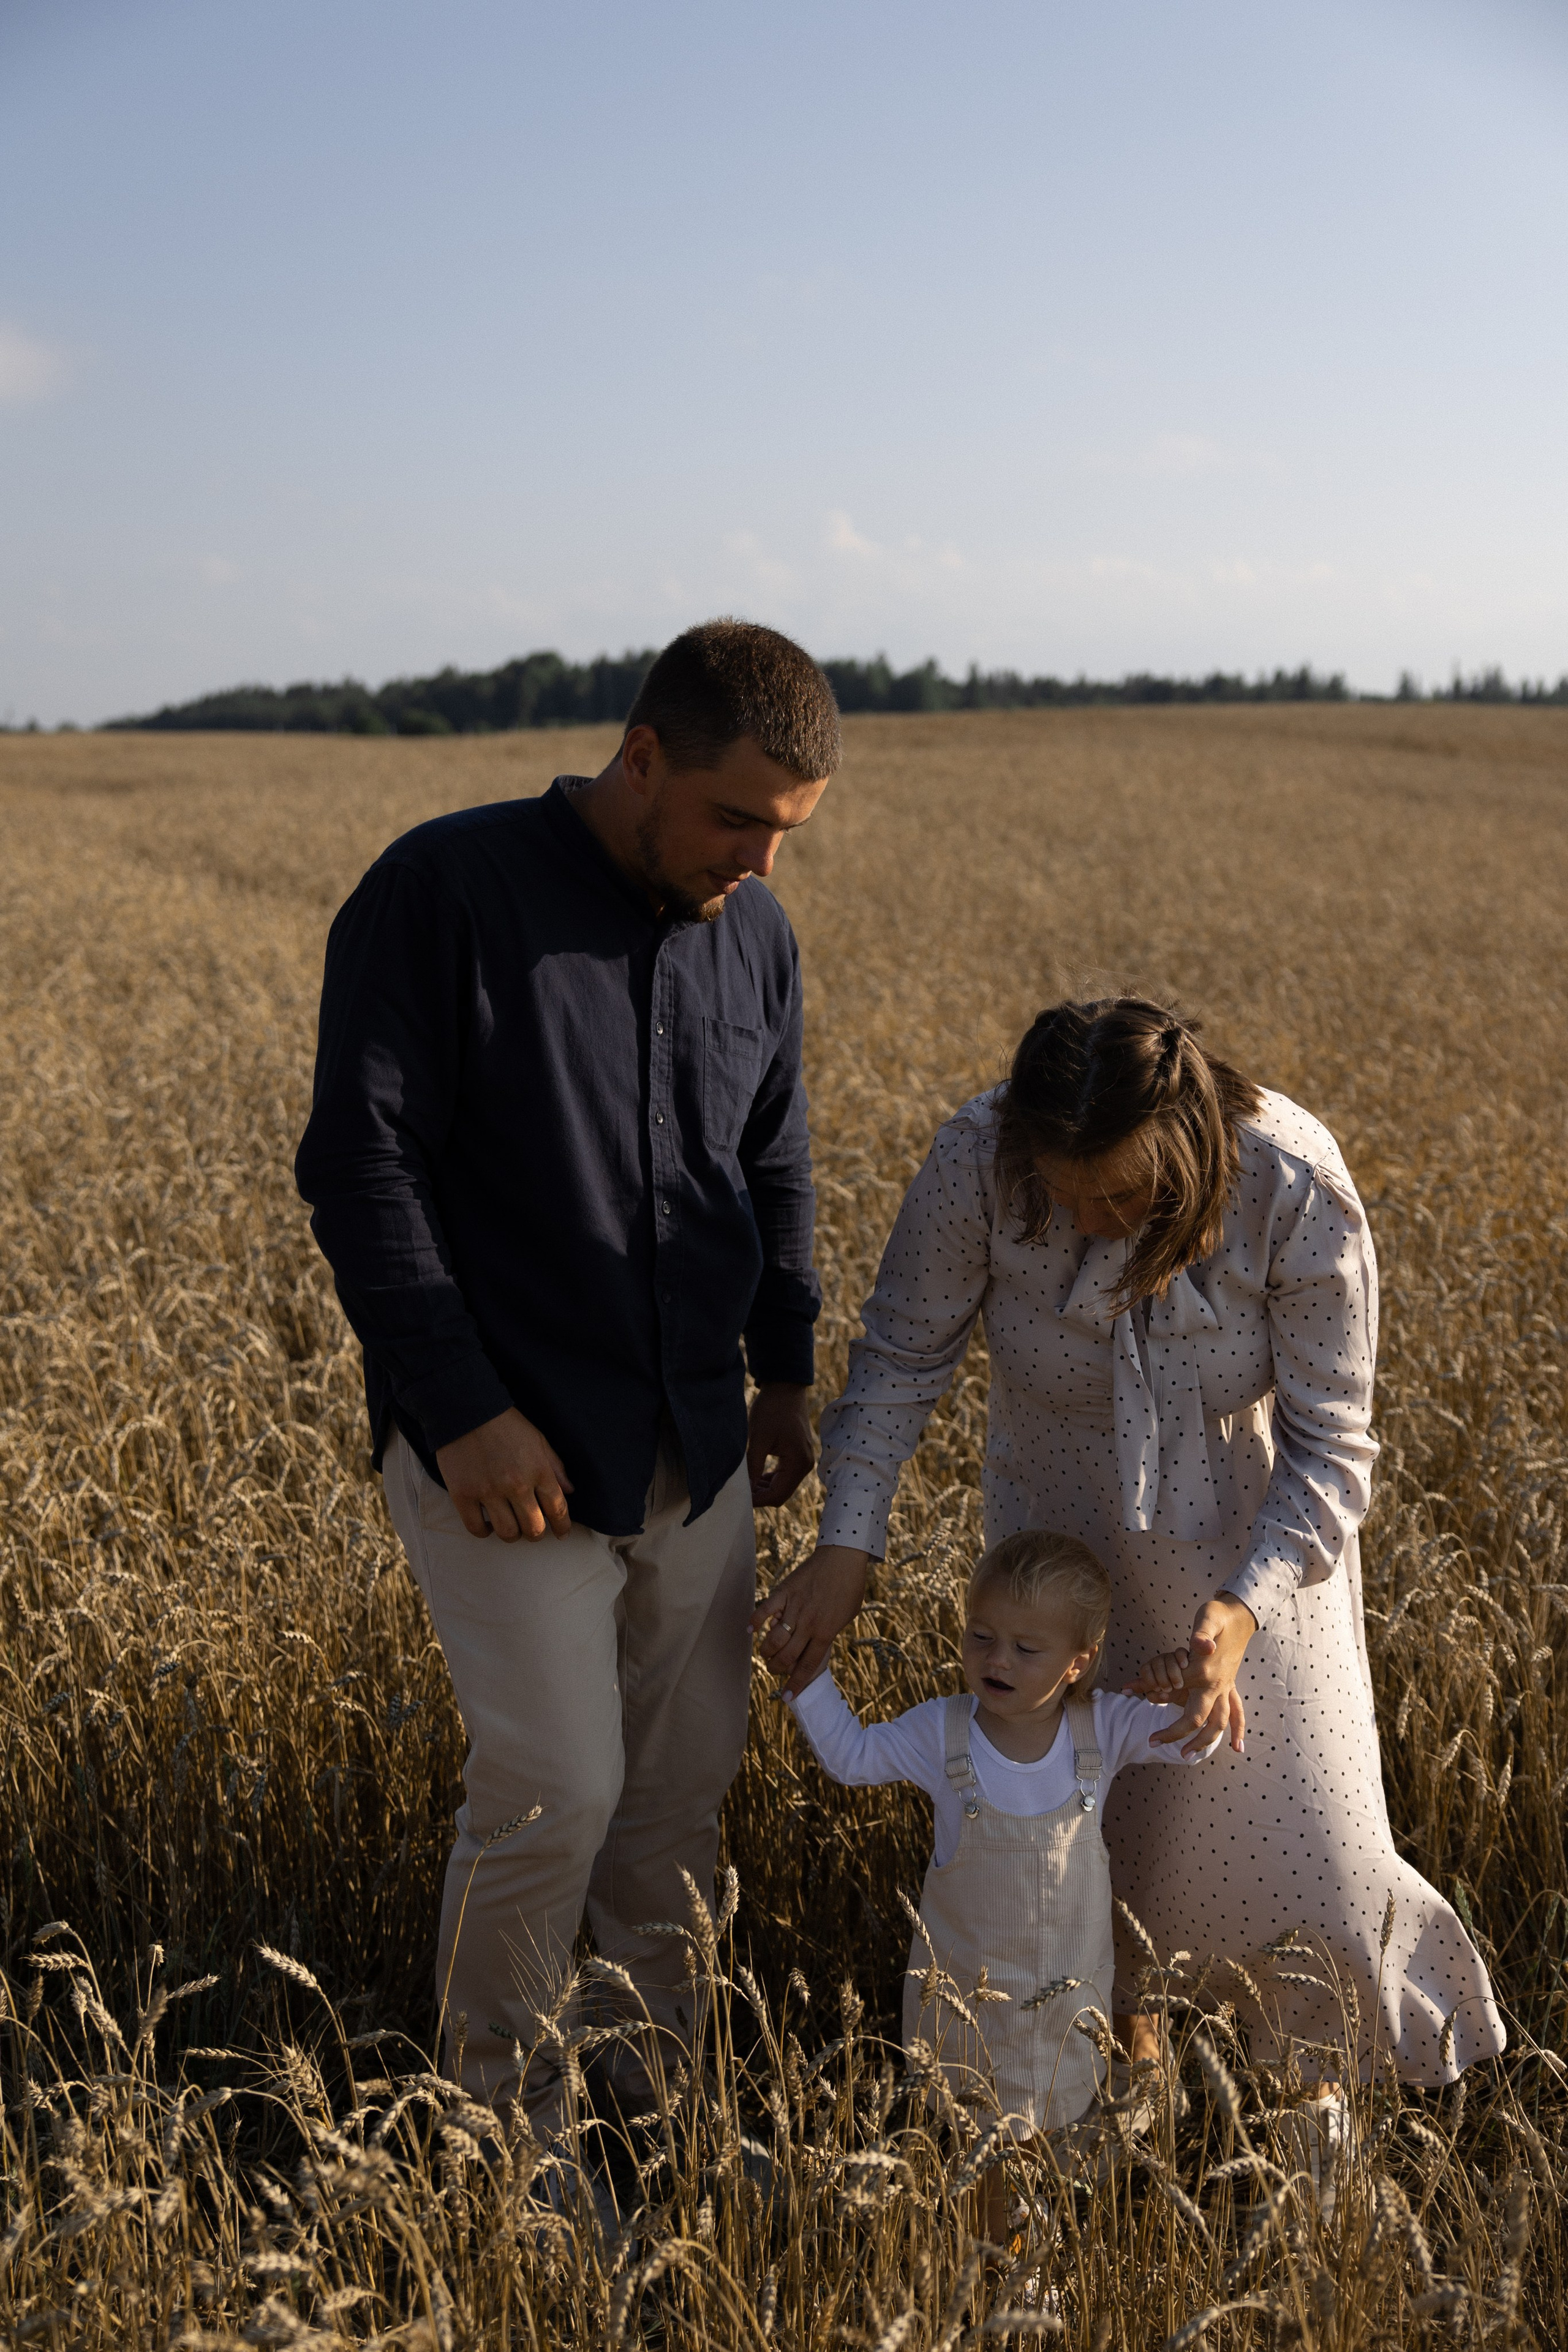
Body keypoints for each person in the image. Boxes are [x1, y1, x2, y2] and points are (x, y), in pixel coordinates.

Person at [755, 996, 1505, 2122]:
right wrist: (846, 1545)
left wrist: (1238, 1612)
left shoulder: (1291, 1180)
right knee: (1084, 1860)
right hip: (1063, 1567)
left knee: (1312, 1861)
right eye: (1065, 1195)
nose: (1090, 1222)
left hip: (1258, 1565)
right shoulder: (979, 1158)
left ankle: (1315, 2135)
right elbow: (902, 1359)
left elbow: (1333, 1444)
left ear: (1189, 1147)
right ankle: (1121, 2099)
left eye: (1120, 1195)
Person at [296, 619, 840, 2123]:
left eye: (785, 833)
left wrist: (783, 1372)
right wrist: (464, 1410)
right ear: (640, 756)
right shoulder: (442, 891)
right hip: (506, 1453)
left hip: (694, 1438)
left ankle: (653, 2102)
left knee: (674, 1806)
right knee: (555, 1799)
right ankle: (507, 2137)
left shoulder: (756, 935)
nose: (759, 862)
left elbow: (772, 1157)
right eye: (735, 818)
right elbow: (360, 1165)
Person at [786, 1528, 1220, 2226]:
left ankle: (1030, 2228)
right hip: (972, 2002)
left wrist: (1189, 1683)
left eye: (1026, 1648)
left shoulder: (1102, 1729)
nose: (997, 1659)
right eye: (981, 1636)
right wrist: (806, 1679)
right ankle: (996, 2256)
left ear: (1078, 1662)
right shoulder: (943, 1733)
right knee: (984, 2144)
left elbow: (1196, 1743)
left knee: (1047, 2130)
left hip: (1064, 2002)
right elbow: (852, 1757)